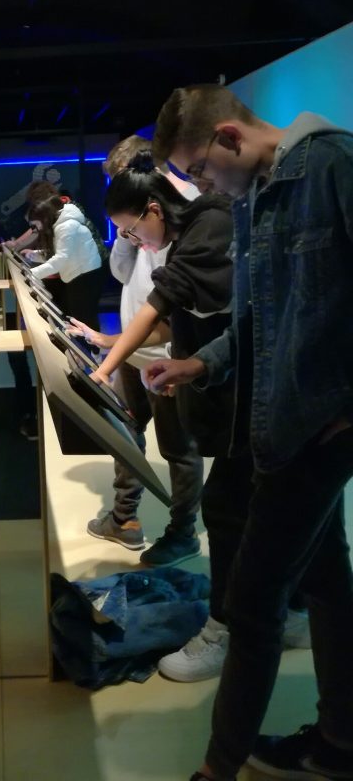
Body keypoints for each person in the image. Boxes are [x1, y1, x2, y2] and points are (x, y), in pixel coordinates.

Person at [145, 84, 353, 781]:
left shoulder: (333, 165)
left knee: (252, 604)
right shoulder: (255, 197)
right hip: (284, 424)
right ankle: (340, 742)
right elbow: (259, 322)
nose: (201, 185)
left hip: (318, 431)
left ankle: (218, 767)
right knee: (327, 585)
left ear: (228, 138)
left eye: (199, 169)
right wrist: (199, 362)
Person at [84, 152, 233, 571]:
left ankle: (186, 537)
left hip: (221, 374)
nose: (132, 240)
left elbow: (160, 307)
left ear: (153, 206)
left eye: (132, 230)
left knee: (203, 473)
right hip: (182, 362)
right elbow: (168, 314)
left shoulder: (206, 225)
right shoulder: (177, 231)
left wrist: (104, 366)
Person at [24, 194, 106, 325]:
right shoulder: (63, 224)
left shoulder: (65, 226)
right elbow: (61, 254)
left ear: (43, 218)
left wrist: (32, 274)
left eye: (35, 225)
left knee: (84, 320)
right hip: (83, 273)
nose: (36, 229)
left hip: (84, 277)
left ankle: (88, 340)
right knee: (82, 318)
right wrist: (34, 255)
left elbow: (61, 259)